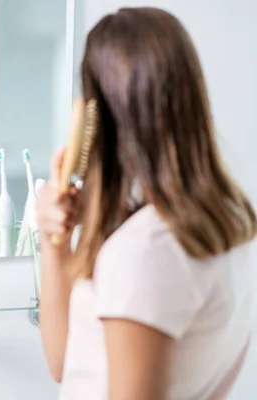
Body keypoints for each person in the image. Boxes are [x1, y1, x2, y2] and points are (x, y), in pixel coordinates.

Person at [36, 7, 256, 399]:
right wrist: (55, 243)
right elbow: (63, 363)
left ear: (95, 116)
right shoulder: (225, 220)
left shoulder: (143, 253)